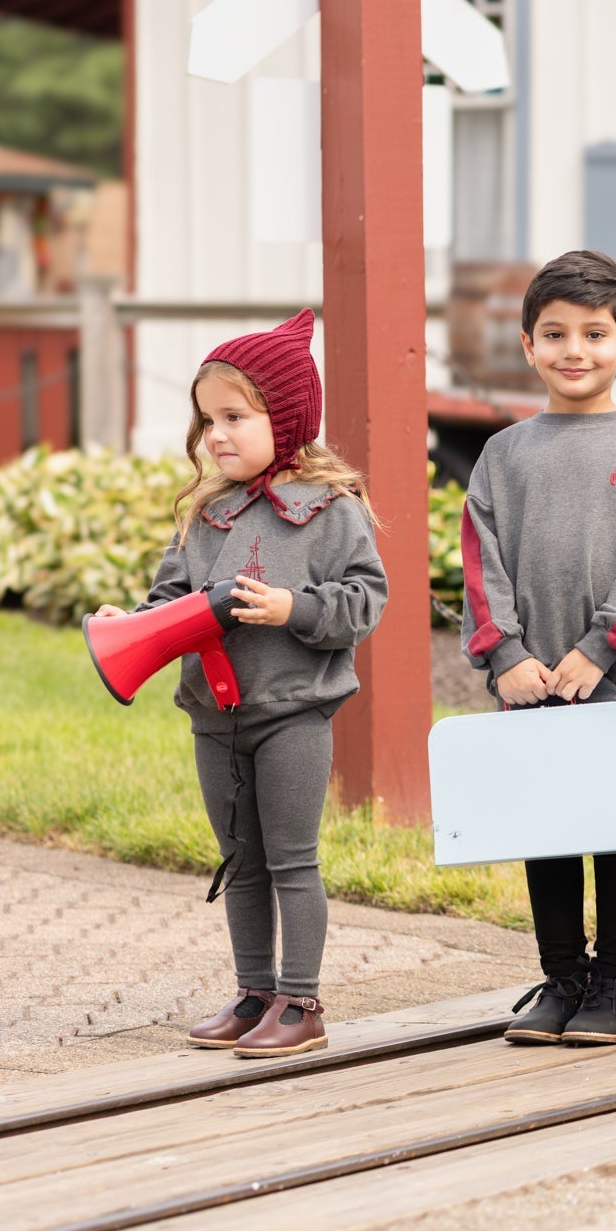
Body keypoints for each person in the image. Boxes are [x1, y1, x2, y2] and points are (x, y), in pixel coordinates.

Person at [93, 310, 385, 1058]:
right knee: (240, 860)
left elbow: (365, 601)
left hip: (293, 714)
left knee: (292, 857)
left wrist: (295, 608)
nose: (215, 435)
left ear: (285, 420)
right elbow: (171, 597)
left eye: (234, 416)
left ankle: (302, 1001)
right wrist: (133, 620)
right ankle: (256, 991)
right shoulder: (207, 510)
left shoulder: (332, 511)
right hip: (214, 718)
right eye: (206, 420)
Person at [460, 251, 616, 1047]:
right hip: (528, 684)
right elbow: (480, 559)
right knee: (548, 831)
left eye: (595, 333)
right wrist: (505, 654)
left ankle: (615, 984)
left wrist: (601, 647)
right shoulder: (504, 455)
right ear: (527, 344)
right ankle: (561, 977)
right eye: (554, 333)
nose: (575, 349)